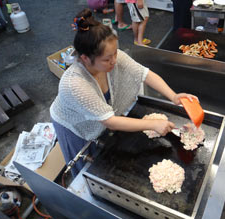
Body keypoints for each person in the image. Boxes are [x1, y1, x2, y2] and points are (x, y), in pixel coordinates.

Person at [50, 8, 197, 177]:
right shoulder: (74, 84)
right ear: (84, 58)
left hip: (101, 116)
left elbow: (144, 73)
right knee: (85, 166)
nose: (114, 60)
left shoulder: (112, 58)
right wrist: (154, 124)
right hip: (75, 125)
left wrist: (173, 96)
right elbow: (110, 121)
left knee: (102, 151)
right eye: (107, 59)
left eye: (114, 53)